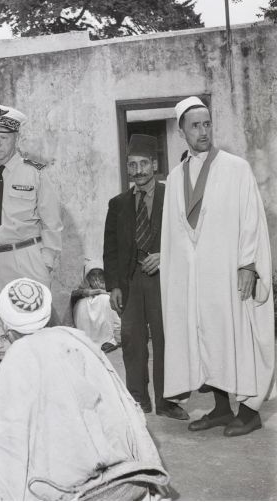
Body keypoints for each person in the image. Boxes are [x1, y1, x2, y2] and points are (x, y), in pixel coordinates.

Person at [0, 278, 170, 501]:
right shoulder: (80, 341)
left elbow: (5, 449)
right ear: (47, 315)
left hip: (60, 490)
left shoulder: (17, 358)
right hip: (120, 478)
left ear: (7, 329)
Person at [161, 96, 275, 437]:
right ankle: (222, 409)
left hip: (228, 272)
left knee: (236, 336)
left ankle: (250, 410)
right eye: (195, 126)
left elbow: (251, 219)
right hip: (195, 279)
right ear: (182, 131)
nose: (203, 131)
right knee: (207, 338)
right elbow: (172, 234)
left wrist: (247, 264)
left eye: (207, 124)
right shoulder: (176, 175)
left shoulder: (235, 167)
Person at [0, 104, 63, 372]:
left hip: (27, 259)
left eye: (3, 138)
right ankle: (2, 400)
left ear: (16, 138)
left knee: (34, 332)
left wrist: (47, 262)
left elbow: (52, 222)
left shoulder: (35, 173)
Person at [103, 134, 188, 420]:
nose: (137, 170)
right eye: (132, 165)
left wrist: (165, 255)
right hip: (130, 282)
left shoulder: (174, 196)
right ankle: (138, 400)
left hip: (165, 280)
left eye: (143, 164)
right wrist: (113, 285)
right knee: (131, 340)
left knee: (166, 339)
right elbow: (110, 250)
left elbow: (188, 238)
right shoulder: (118, 204)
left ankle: (166, 401)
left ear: (154, 164)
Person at [71, 259, 121, 353]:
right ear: (88, 277)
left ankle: (108, 340)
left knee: (105, 299)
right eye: (93, 274)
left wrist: (103, 290)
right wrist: (93, 291)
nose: (97, 277)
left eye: (100, 274)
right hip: (87, 329)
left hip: (109, 327)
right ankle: (85, 339)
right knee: (81, 304)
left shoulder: (112, 286)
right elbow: (74, 294)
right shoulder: (84, 286)